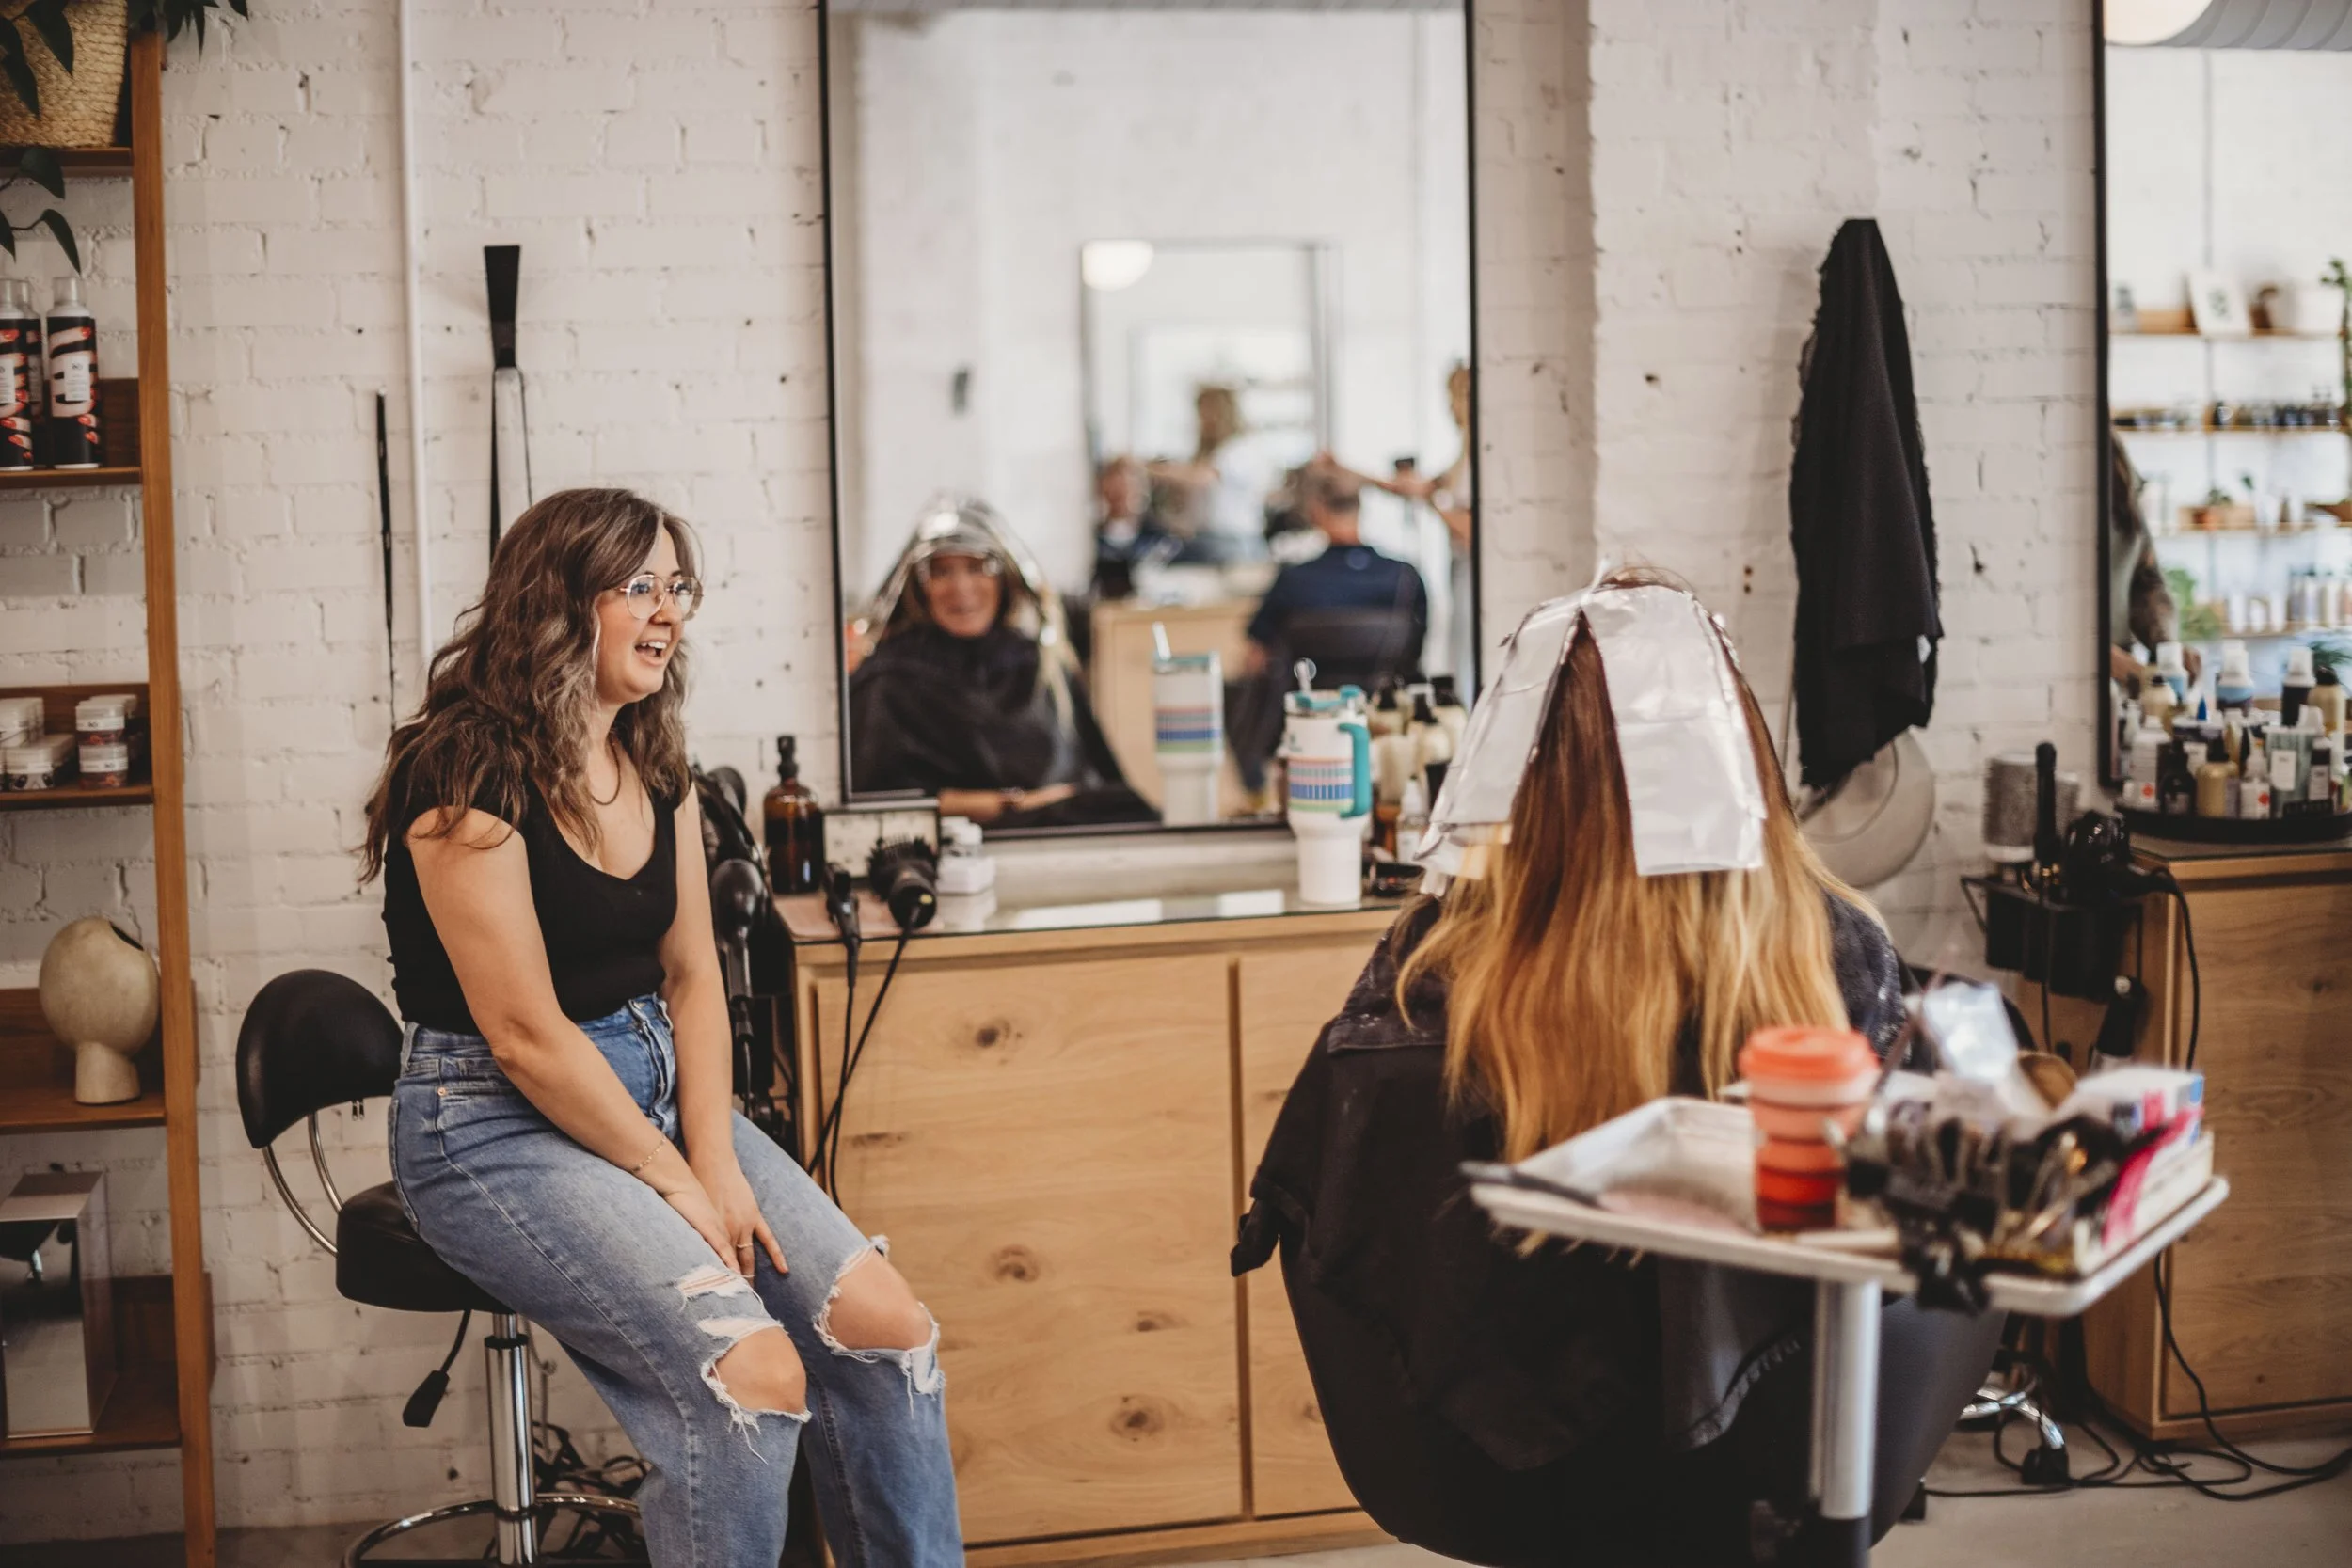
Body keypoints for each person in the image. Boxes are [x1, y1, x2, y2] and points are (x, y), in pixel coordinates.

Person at [1233, 572, 1996, 1567]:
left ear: (1513, 758)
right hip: (1768, 1460)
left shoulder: (1424, 965)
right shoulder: (1831, 947)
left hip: (1487, 1476)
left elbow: (1326, 1224)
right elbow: (1931, 1239)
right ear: (1732, 746)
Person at [361, 489, 962, 1567]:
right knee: (750, 1378)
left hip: (650, 1090)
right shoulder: (463, 768)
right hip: (493, 1125)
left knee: (884, 1330)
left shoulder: (653, 754)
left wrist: (717, 1153)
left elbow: (692, 975)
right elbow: (525, 1033)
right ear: (557, 602)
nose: (668, 609)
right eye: (638, 585)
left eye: (677, 585)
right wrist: (675, 1178)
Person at [850, 495, 1147, 827]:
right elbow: (876, 801)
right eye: (942, 572)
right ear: (920, 587)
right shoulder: (888, 680)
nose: (961, 588)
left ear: (1005, 577)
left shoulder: (1040, 665)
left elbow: (1102, 781)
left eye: (977, 568)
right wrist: (1014, 804)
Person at [1244, 459, 1427, 679]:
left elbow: (1256, 658)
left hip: (1309, 704)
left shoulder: (1294, 581)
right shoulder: (1404, 578)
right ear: (1360, 508)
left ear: (1316, 511)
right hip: (1385, 706)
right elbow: (1414, 653)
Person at [1090, 453, 1175, 600]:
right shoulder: (1091, 543)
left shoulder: (1160, 540)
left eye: (1130, 483)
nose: (1123, 491)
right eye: (1116, 484)